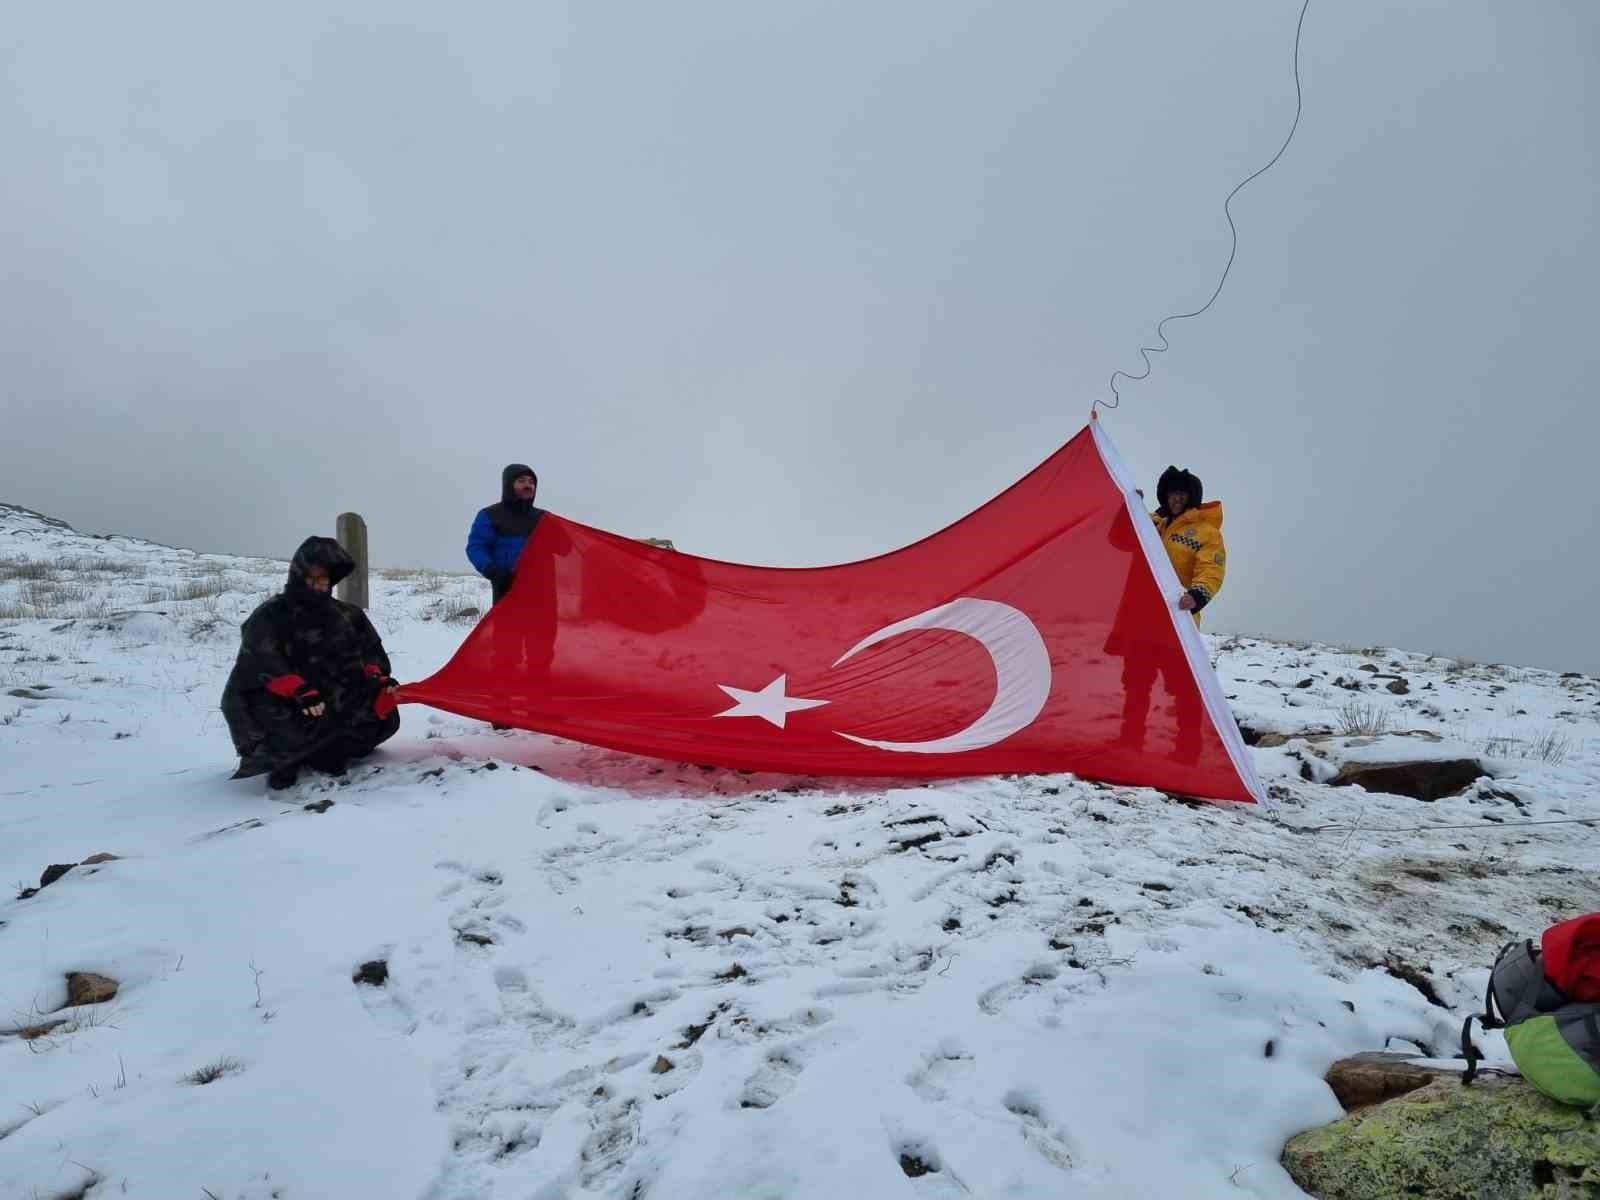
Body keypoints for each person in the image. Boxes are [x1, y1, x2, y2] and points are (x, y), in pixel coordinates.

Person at [221, 537, 400, 790]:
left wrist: (378, 678)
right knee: (282, 725)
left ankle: (327, 752)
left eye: (323, 579)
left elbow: (370, 653)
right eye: (311, 579)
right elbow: (262, 662)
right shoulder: (270, 615)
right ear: (297, 576)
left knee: (384, 714)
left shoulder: (348, 615)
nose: (318, 586)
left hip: (332, 701)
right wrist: (299, 690)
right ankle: (284, 760)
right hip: (288, 701)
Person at [1113, 466, 1228, 762]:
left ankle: (1188, 750)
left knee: (1183, 687)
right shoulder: (1150, 521)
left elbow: (1211, 570)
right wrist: (1129, 510)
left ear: (1191, 496)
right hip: (1139, 620)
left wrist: (1198, 595)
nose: (1175, 498)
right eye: (1171, 492)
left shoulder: (1206, 533)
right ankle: (1130, 741)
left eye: (1181, 493)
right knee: (1136, 683)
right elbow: (1120, 540)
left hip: (1176, 623)